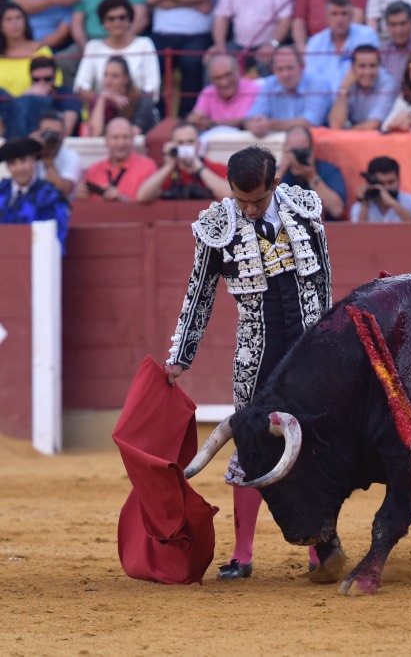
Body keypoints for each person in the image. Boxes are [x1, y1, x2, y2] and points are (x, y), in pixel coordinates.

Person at [164, 145, 332, 581]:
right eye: (241, 199)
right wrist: (180, 357)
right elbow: (199, 293)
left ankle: (320, 547)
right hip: (255, 355)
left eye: (257, 200)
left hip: (308, 350)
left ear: (275, 184)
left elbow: (323, 281)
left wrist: (331, 343)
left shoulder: (303, 209)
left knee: (313, 447)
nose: (250, 209)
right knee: (251, 445)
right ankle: (242, 553)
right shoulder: (218, 226)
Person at [146, 0, 220, 118]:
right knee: (148, 60)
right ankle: (156, 117)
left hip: (197, 35)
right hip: (160, 35)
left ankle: (187, 118)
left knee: (192, 62)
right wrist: (193, 2)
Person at [73, 0, 160, 104]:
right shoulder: (93, 47)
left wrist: (126, 103)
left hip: (138, 111)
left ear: (130, 19)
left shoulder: (145, 44)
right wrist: (108, 99)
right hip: (102, 111)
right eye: (111, 19)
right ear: (103, 23)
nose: (117, 22)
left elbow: (152, 89)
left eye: (122, 17)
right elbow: (81, 87)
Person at [240, 46, 331, 138]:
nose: (285, 74)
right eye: (280, 69)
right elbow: (251, 118)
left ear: (302, 67)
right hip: (276, 146)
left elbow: (311, 122)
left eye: (290, 68)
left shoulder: (318, 84)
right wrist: (255, 125)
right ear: (273, 70)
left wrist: (270, 124)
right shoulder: (269, 84)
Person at [207, 0, 293, 78]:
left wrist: (272, 44)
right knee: (215, 60)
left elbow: (286, 19)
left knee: (267, 62)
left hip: (269, 44)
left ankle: (264, 93)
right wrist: (220, 45)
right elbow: (221, 16)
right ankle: (209, 93)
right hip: (238, 44)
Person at [0, 136, 69, 254]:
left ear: (32, 160)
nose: (19, 168)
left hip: (37, 262)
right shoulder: (2, 191)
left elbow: (56, 238)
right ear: (7, 167)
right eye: (13, 163)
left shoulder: (50, 196)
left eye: (23, 161)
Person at [303, 0, 380, 94]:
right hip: (323, 101)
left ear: (352, 15)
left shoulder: (367, 36)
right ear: (326, 17)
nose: (339, 20)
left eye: (344, 13)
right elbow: (311, 81)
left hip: (358, 98)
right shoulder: (315, 43)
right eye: (334, 14)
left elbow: (369, 74)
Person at [136, 121, 231, 203]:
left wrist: (199, 167)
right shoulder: (168, 173)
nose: (186, 146)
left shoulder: (214, 167)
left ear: (198, 144)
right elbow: (142, 197)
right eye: (180, 143)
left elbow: (229, 195)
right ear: (173, 145)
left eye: (190, 141)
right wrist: (169, 166)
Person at [77, 117, 157, 202]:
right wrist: (80, 195)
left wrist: (122, 200)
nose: (121, 143)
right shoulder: (93, 171)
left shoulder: (147, 167)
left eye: (125, 137)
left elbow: (150, 207)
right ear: (106, 140)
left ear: (132, 139)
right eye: (115, 137)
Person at [277, 124, 346, 220]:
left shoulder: (328, 170)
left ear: (311, 150)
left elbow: (337, 210)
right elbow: (262, 201)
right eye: (292, 150)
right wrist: (282, 169)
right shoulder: (278, 173)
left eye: (301, 150)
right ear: (285, 150)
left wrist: (312, 177)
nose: (296, 155)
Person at [0, 56, 80, 138]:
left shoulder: (65, 93)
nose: (42, 83)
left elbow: (67, 130)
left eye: (47, 79)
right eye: (36, 79)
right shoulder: (25, 98)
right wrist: (26, 98)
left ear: (55, 77)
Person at [330, 44, 399, 130]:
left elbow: (373, 125)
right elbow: (335, 125)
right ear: (353, 67)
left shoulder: (388, 83)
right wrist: (344, 89)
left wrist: (342, 136)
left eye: (372, 66)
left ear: (379, 66)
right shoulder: (347, 80)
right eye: (362, 66)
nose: (367, 72)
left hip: (381, 137)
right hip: (355, 135)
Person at [85, 56, 157, 137]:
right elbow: (95, 133)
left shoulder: (143, 99)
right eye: (106, 74)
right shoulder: (101, 99)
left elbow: (133, 133)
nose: (108, 80)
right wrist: (102, 98)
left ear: (126, 79)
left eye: (115, 76)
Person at [187, 54, 261, 134]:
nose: (224, 82)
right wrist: (195, 119)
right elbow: (196, 118)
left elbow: (250, 122)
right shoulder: (208, 92)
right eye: (218, 78)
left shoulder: (254, 89)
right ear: (211, 80)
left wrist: (212, 124)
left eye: (228, 75)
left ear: (238, 71)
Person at [0, 0, 55, 96]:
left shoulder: (41, 51)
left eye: (18, 18)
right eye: (8, 19)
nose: (15, 23)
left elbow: (53, 84)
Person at [291, 0, 367, 51]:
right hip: (313, 45)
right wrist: (305, 52)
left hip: (348, 46)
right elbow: (299, 21)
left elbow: (357, 17)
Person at [350, 155, 411, 222]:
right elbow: (357, 234)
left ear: (399, 180)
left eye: (391, 182)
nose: (386, 187)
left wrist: (393, 204)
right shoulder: (360, 206)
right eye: (381, 184)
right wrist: (365, 205)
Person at [11, 0, 80, 50]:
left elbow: (62, 32)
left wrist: (36, 47)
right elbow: (19, 6)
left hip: (50, 46)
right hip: (17, 40)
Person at [31, 110, 82, 200]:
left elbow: (62, 191)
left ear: (63, 135)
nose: (51, 138)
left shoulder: (71, 157)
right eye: (48, 133)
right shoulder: (29, 154)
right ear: (38, 133)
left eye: (56, 134)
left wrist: (48, 161)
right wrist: (27, 149)